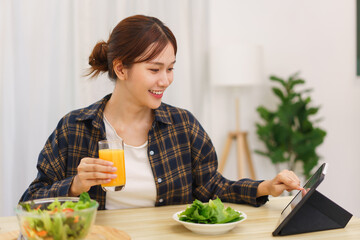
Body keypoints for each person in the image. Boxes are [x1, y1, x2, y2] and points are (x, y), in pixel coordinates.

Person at [20, 15, 302, 210]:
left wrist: (266, 186)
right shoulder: (74, 128)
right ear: (121, 69)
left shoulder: (183, 125)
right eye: (154, 69)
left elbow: (212, 188)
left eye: (170, 68)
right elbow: (30, 200)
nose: (165, 80)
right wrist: (75, 186)